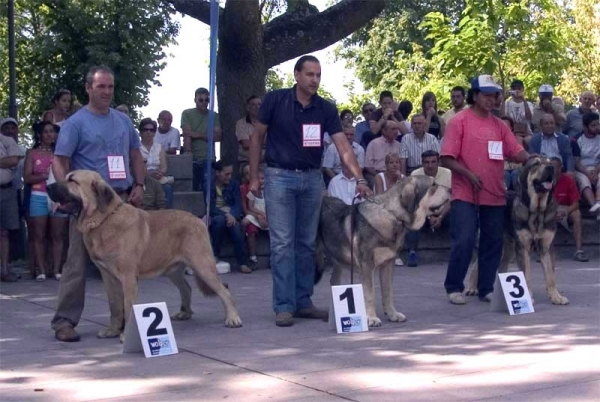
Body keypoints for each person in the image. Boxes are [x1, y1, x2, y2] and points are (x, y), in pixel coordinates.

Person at [248, 54, 371, 327]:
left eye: (318, 75)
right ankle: (283, 305)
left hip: (312, 179)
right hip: (279, 177)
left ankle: (303, 301)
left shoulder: (325, 108)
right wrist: (254, 174)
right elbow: (257, 137)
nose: (314, 80)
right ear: (297, 75)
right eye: (310, 74)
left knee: (306, 244)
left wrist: (361, 179)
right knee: (282, 244)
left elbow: (343, 146)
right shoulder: (275, 100)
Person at [50, 65, 146, 342]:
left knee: (122, 266)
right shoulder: (75, 124)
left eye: (110, 87)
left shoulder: (123, 121)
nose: (106, 91)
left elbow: (135, 155)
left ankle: (124, 322)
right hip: (88, 206)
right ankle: (64, 322)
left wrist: (139, 184)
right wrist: (69, 197)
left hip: (119, 201)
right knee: (76, 263)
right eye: (101, 86)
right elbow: (60, 161)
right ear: (88, 88)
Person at [441, 75, 529, 305]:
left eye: (495, 95)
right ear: (475, 95)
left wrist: (534, 159)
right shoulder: (458, 121)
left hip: (495, 193)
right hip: (465, 192)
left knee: (493, 242)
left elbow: (517, 152)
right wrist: (469, 174)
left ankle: (486, 288)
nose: (492, 99)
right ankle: (453, 287)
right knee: (465, 239)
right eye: (487, 95)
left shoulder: (499, 125)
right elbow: (446, 159)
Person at [23, 121, 68, 281]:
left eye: (52, 132)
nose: (50, 134)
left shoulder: (61, 154)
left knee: (58, 235)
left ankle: (57, 270)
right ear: (40, 135)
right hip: (38, 195)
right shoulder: (32, 153)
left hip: (57, 196)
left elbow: (66, 175)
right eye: (47, 132)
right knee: (38, 235)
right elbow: (27, 177)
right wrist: (44, 175)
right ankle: (41, 270)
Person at [405, 150, 452, 267]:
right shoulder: (416, 174)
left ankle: (457, 251)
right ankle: (412, 252)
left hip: (444, 210)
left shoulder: (448, 173)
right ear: (422, 163)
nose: (430, 165)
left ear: (438, 162)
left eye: (433, 162)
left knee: (458, 213)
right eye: (426, 162)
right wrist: (430, 215)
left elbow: (452, 198)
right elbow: (416, 200)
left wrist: (440, 217)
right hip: (423, 211)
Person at [208, 161, 251, 274]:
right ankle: (215, 255)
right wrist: (226, 215)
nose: (229, 177)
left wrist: (232, 215)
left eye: (231, 174)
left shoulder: (234, 184)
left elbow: (237, 204)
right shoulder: (208, 185)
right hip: (217, 214)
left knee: (236, 227)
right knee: (219, 222)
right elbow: (210, 207)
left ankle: (243, 262)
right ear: (217, 173)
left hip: (232, 214)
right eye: (226, 174)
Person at [181, 87, 221, 193]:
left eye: (206, 100)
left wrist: (197, 134)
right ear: (195, 100)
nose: (204, 102)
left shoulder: (214, 115)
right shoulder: (187, 113)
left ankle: (209, 209)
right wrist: (188, 153)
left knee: (208, 188)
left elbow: (218, 137)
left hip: (208, 159)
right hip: (192, 158)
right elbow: (187, 134)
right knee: (191, 189)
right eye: (201, 100)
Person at [550, 157, 588, 262]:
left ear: (560, 168)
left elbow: (576, 204)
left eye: (554, 167)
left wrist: (566, 211)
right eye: (549, 167)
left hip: (565, 208)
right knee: (543, 215)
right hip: (549, 209)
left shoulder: (568, 180)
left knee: (577, 214)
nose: (551, 170)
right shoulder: (544, 181)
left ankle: (579, 251)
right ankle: (547, 252)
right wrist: (551, 213)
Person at [0, 127, 21, 282]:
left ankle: (5, 271)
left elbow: (14, 160)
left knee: (4, 232)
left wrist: (7, 161)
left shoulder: (7, 140)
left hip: (6, 190)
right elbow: (8, 160)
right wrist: (3, 161)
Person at [139, 118, 173, 208]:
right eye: (145, 130)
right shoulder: (136, 148)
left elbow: (164, 167)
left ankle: (167, 216)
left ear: (154, 132)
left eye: (151, 130)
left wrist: (160, 173)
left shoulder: (159, 147)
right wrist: (148, 174)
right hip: (142, 178)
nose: (148, 132)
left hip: (158, 177)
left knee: (167, 188)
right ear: (140, 132)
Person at [241, 169, 268, 267]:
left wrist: (265, 216)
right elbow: (251, 207)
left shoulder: (268, 192)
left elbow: (271, 206)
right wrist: (259, 214)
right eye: (259, 179)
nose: (261, 181)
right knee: (244, 222)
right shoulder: (251, 192)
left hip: (267, 216)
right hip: (256, 215)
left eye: (263, 178)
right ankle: (247, 249)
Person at [574, 112, 600, 212]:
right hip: (582, 169)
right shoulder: (576, 139)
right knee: (584, 180)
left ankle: (598, 203)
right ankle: (595, 207)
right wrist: (587, 173)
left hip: (597, 167)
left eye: (598, 124)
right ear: (585, 127)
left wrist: (597, 170)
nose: (597, 127)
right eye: (593, 125)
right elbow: (576, 162)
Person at [236, 95, 263, 174]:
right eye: (253, 105)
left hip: (265, 162)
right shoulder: (241, 123)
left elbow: (273, 142)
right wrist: (263, 141)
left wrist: (252, 139)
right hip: (247, 162)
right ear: (248, 108)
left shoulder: (267, 123)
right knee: (249, 171)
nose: (257, 107)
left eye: (259, 104)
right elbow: (246, 144)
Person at [504, 79, 534, 146]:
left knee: (529, 141)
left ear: (522, 90)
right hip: (512, 132)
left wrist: (523, 99)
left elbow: (529, 117)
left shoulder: (529, 104)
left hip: (527, 133)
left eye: (519, 88)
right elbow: (503, 117)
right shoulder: (507, 103)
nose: (516, 91)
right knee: (518, 139)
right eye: (514, 88)